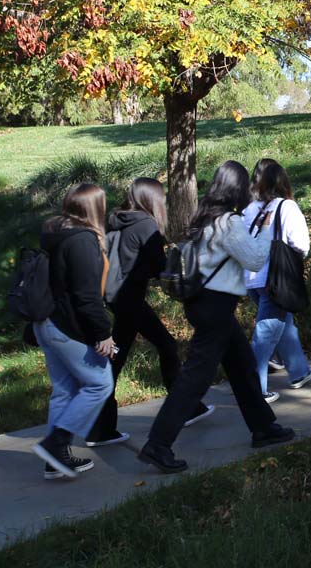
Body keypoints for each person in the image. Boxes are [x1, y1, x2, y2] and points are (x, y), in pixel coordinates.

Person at [139, 161, 294, 474]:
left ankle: (263, 427)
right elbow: (255, 259)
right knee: (195, 378)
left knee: (243, 367)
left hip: (203, 303)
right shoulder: (228, 222)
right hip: (216, 307)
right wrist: (266, 229)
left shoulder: (204, 219)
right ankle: (158, 444)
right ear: (237, 188)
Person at [85, 178, 212, 448]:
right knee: (158, 347)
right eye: (161, 196)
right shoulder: (145, 225)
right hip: (129, 298)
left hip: (117, 296)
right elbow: (159, 266)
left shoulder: (119, 220)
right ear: (151, 199)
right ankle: (183, 409)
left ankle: (101, 426)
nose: (164, 201)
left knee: (123, 356)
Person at [32, 183, 116, 480]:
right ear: (95, 208)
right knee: (100, 384)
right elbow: (86, 297)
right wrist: (103, 333)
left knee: (65, 390)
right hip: (66, 327)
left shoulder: (55, 234)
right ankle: (56, 444)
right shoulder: (82, 241)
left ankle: (55, 460)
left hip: (47, 323)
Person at [244, 159, 311, 402]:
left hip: (252, 280)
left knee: (284, 324)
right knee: (264, 336)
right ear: (283, 182)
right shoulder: (287, 207)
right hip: (276, 280)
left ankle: (299, 372)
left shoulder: (250, 209)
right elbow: (301, 244)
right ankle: (254, 390)